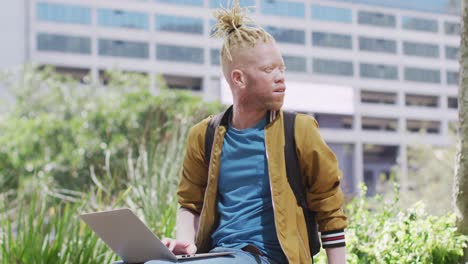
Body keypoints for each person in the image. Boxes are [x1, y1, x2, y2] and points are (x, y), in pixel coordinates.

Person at [149, 1, 348, 263]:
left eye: (282, 69)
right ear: (238, 78)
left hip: (270, 257)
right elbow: (190, 204)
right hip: (220, 255)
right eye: (269, 70)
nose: (280, 77)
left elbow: (329, 204)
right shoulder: (204, 135)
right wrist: (183, 247)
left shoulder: (299, 130)